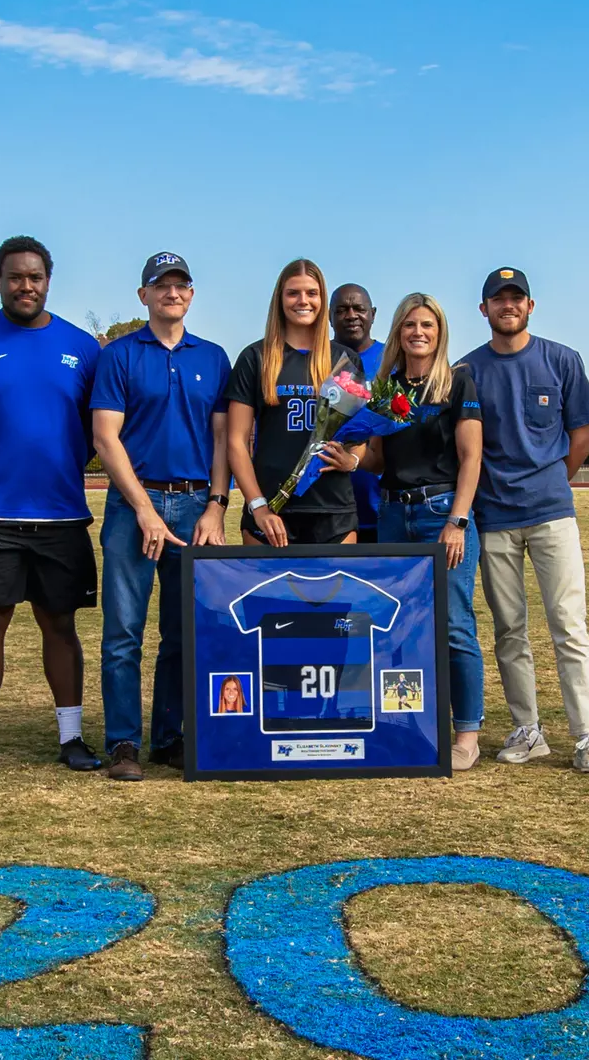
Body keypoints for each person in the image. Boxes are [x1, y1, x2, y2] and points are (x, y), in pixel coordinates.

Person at [0, 235, 103, 775]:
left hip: (60, 512)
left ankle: (72, 736)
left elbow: (96, 430)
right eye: (15, 277)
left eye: (35, 277)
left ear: (48, 281)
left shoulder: (83, 348)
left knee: (60, 623)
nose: (26, 286)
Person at [461, 267, 589, 775]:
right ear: (483, 309)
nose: (508, 306)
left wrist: (552, 483)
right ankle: (528, 729)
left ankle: (588, 737)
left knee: (569, 626)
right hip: (495, 517)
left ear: (530, 305)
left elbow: (582, 436)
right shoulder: (467, 370)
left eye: (516, 298)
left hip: (552, 514)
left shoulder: (562, 360)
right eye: (497, 299)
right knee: (510, 630)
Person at [91, 252, 232, 782]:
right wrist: (146, 510)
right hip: (135, 506)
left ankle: (171, 736)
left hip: (197, 505)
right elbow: (106, 438)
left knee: (182, 632)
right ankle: (124, 740)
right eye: (161, 285)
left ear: (191, 294)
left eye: (181, 285)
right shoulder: (120, 355)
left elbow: (223, 437)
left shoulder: (213, 357)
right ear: (143, 295)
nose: (172, 293)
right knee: (123, 631)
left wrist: (217, 506)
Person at [363, 293, 486, 770]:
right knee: (399, 624)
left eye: (427, 325)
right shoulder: (386, 386)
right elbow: (376, 457)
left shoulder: (457, 383)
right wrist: (344, 455)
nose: (418, 332)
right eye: (410, 324)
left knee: (454, 624)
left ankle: (467, 734)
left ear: (440, 332)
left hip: (441, 514)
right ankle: (407, 723)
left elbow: (472, 457)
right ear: (398, 331)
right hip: (393, 514)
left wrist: (457, 521)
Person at [227, 259, 365, 546]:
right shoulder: (256, 358)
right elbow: (236, 442)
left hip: (333, 511)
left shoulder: (344, 359)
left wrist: (351, 460)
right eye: (293, 293)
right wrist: (258, 506)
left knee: (331, 593)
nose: (303, 301)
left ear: (322, 299)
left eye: (312, 293)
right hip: (271, 513)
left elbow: (359, 437)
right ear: (280, 299)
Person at [332, 283, 385, 543]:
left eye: (359, 309)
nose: (351, 315)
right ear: (329, 317)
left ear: (373, 313)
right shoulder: (318, 359)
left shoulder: (394, 358)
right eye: (341, 310)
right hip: (329, 511)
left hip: (384, 511)